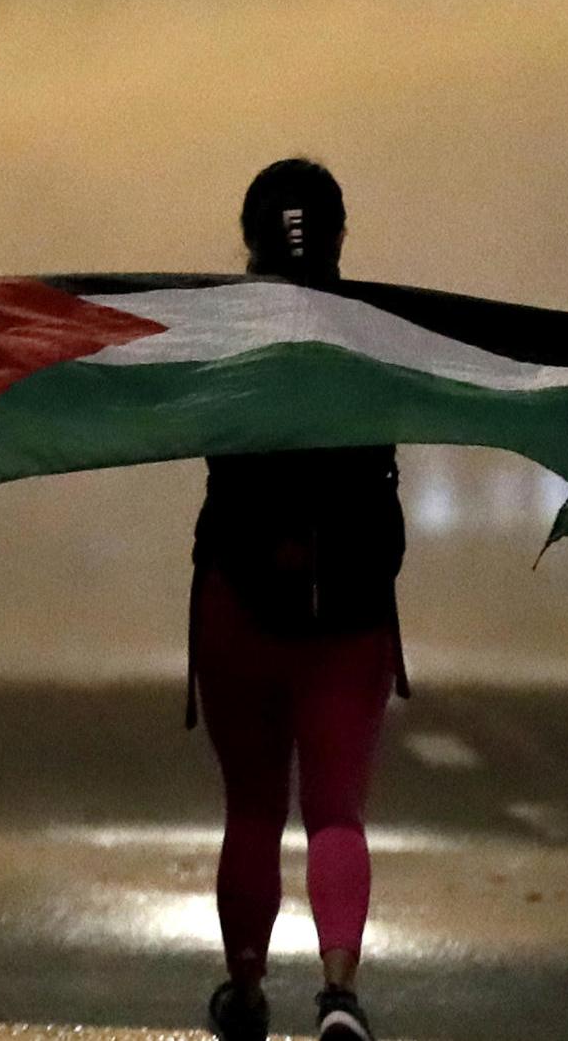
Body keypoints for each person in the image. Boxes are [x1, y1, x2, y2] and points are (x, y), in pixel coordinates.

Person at [191, 158, 402, 1041]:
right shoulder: (384, 335)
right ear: (340, 233)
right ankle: (339, 991)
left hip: (235, 601)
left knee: (251, 807)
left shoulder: (213, 334)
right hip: (350, 609)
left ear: (247, 237)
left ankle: (245, 985)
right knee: (335, 810)